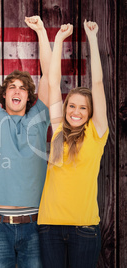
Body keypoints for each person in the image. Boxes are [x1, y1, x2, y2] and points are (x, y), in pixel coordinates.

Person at [0, 16, 52, 267]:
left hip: (35, 228)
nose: (17, 91)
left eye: (23, 88)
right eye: (12, 87)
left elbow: (49, 76)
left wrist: (41, 31)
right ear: (4, 94)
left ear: (29, 96)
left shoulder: (39, 118)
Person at [38, 21, 108, 268]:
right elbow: (53, 82)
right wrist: (58, 39)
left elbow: (97, 84)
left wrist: (92, 38)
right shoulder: (58, 128)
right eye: (72, 106)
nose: (75, 112)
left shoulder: (96, 132)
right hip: (49, 227)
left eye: (83, 108)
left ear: (90, 112)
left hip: (84, 228)